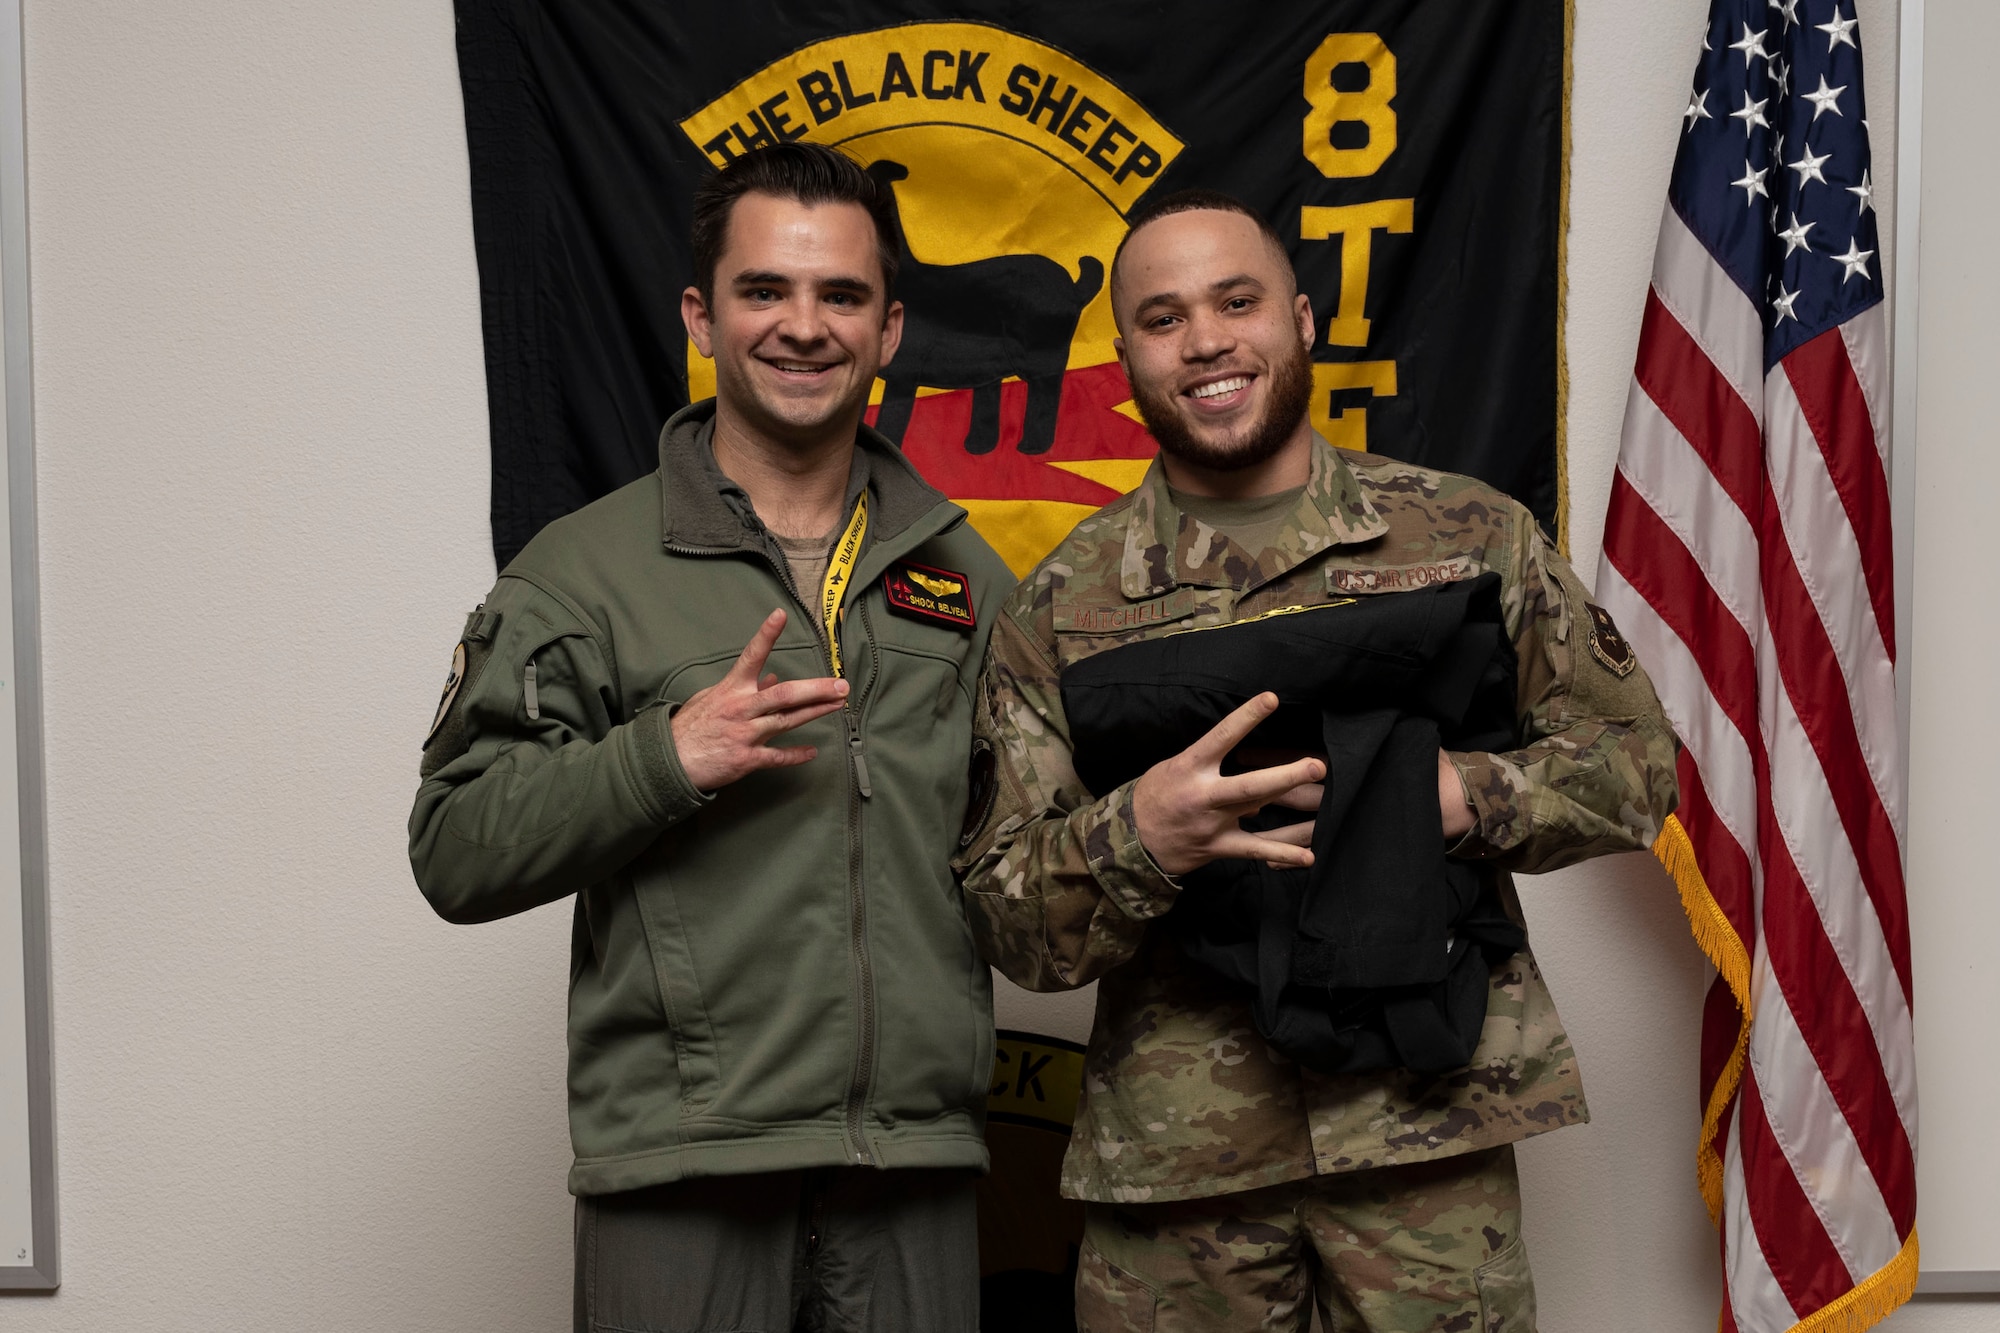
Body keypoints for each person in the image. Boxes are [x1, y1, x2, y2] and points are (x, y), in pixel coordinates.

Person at [955, 189, 1680, 1331]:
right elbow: (1007, 921)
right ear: (1125, 358)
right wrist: (1136, 837)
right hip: (1178, 1179)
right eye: (1162, 317)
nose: (1204, 340)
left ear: (1298, 319)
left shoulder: (1466, 537)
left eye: (1235, 301)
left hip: (1426, 1153)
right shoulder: (1061, 605)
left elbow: (1640, 765)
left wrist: (1462, 794)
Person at [410, 142, 1012, 1333]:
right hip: (681, 1166)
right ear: (701, 314)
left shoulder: (966, 573)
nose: (804, 326)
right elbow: (455, 846)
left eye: (842, 295)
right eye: (763, 290)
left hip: (915, 1166)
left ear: (889, 329)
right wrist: (660, 758)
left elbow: (1019, 856)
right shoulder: (583, 569)